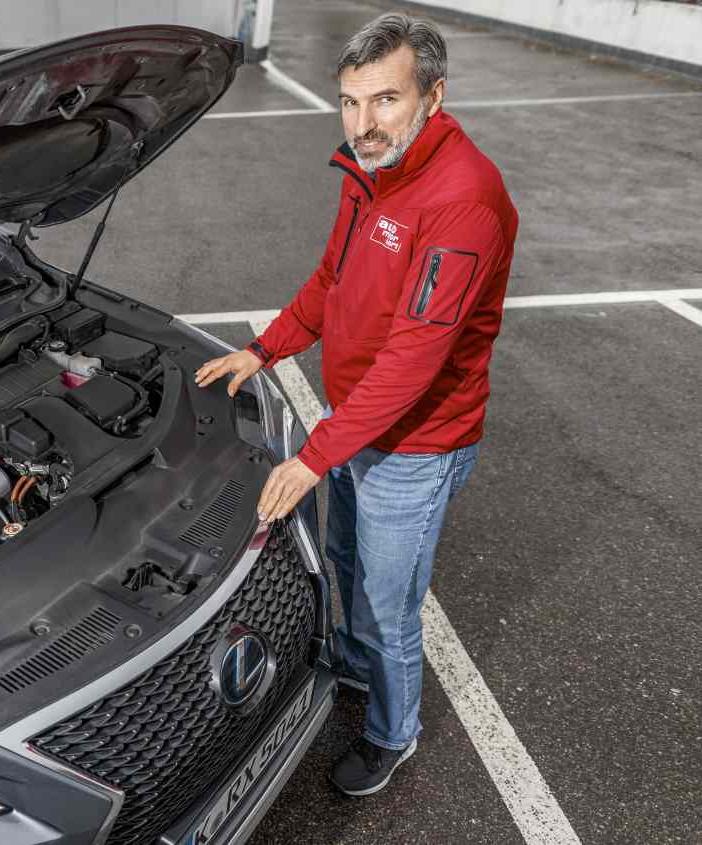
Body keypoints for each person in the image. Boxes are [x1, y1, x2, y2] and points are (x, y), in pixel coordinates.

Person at [195, 12, 518, 796]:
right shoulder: (369, 170)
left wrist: (314, 453)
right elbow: (332, 279)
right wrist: (265, 347)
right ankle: (348, 664)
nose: (363, 123)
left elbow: (413, 361)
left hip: (416, 445)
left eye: (385, 101)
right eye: (349, 101)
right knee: (342, 562)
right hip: (359, 428)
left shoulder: (463, 201)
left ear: (432, 98)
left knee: (388, 602)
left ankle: (390, 732)